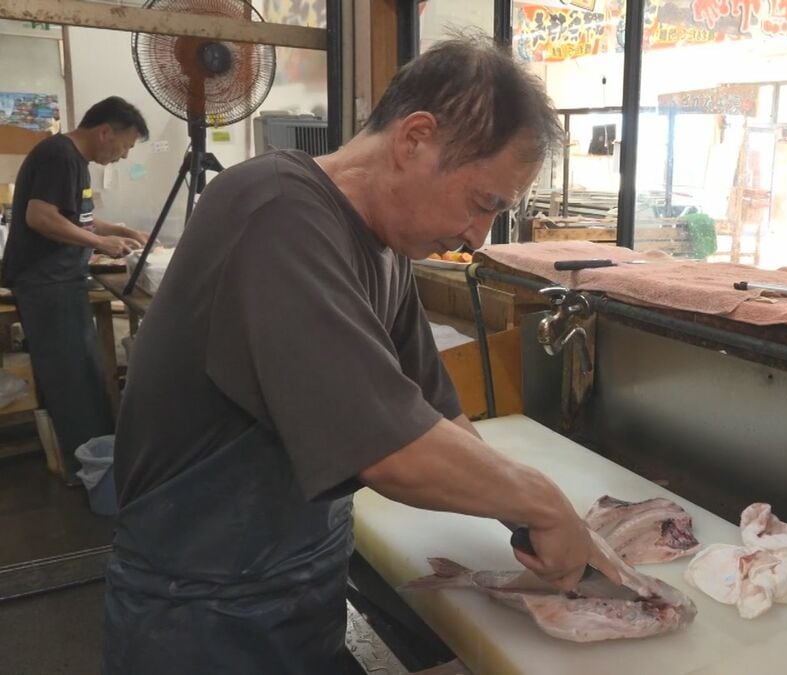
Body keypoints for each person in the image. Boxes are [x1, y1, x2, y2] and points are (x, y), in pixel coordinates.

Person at [103, 38, 619, 673]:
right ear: (415, 140)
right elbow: (393, 451)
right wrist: (542, 503)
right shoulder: (274, 211)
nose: (477, 237)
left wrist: (534, 521)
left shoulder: (387, 250)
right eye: (484, 204)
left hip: (298, 585)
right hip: (201, 611)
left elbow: (435, 419)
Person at [1, 96, 149, 482]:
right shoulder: (59, 155)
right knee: (71, 379)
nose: (123, 155)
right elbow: (40, 217)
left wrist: (118, 230)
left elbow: (76, 218)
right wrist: (100, 245)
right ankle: (91, 471)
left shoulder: (73, 160)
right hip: (45, 283)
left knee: (80, 372)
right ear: (105, 132)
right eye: (125, 145)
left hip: (61, 281)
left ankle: (89, 459)